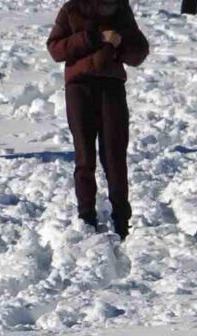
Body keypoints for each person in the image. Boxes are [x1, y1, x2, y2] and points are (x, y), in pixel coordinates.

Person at [47, 0, 149, 239]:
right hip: (79, 88)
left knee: (114, 155)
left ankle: (121, 218)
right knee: (84, 156)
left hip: (111, 87)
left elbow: (140, 52)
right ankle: (86, 216)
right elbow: (55, 49)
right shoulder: (72, 10)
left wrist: (119, 44)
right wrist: (95, 38)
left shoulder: (120, 9)